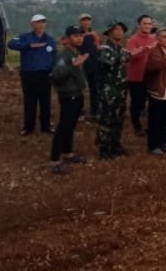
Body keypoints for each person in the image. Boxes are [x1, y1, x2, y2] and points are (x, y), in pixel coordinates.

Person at [49, 25, 88, 175]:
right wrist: (73, 66)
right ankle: (54, 160)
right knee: (63, 127)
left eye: (81, 35)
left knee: (71, 125)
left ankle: (68, 152)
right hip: (68, 95)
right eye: (75, 35)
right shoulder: (63, 55)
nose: (79, 38)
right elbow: (56, 76)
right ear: (68, 38)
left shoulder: (76, 51)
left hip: (77, 93)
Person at [8, 13, 56, 136]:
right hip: (29, 75)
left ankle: (45, 125)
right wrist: (28, 46)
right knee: (30, 102)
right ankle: (29, 127)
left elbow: (55, 55)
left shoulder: (49, 40)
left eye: (43, 22)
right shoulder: (25, 37)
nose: (41, 24)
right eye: (38, 22)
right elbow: (11, 43)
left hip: (45, 75)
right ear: (32, 24)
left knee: (45, 101)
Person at [96, 19, 129, 160]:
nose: (120, 32)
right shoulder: (105, 49)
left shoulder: (119, 49)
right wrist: (126, 55)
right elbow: (111, 61)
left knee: (118, 118)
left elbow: (127, 57)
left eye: (121, 29)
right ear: (109, 32)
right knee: (106, 119)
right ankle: (104, 148)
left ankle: (115, 144)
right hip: (108, 90)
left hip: (121, 89)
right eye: (116, 29)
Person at [126, 14, 156, 135]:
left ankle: (151, 126)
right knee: (137, 103)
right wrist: (147, 48)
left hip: (151, 77)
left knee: (153, 103)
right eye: (145, 23)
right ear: (139, 25)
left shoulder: (154, 38)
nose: (148, 26)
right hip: (136, 77)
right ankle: (137, 126)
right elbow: (131, 55)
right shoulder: (133, 39)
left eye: (149, 24)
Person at [78, 14, 101, 118]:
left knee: (95, 88)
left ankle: (95, 110)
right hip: (81, 65)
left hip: (94, 64)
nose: (86, 22)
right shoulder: (77, 33)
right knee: (80, 89)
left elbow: (97, 46)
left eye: (88, 20)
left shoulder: (94, 34)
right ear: (80, 22)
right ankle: (79, 111)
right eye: (84, 20)